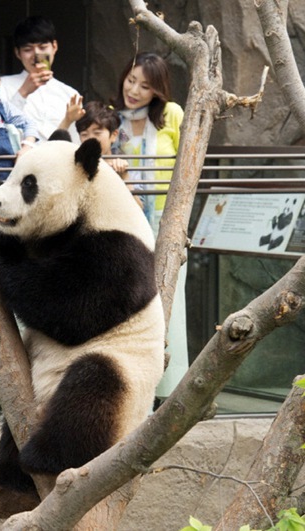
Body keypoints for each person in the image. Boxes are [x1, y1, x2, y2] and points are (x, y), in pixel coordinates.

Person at [111, 52, 187, 404]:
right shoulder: (114, 119)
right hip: (125, 222)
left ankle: (168, 393)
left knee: (169, 301)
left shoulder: (171, 115)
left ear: (158, 90)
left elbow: (188, 163)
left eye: (145, 85)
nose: (135, 90)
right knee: (132, 303)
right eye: (131, 80)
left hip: (165, 222)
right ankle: (135, 390)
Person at [0, 15, 83, 143]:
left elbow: (76, 140)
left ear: (54, 47)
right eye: (28, 49)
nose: (36, 55)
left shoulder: (70, 93)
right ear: (17, 53)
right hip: (18, 161)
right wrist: (23, 92)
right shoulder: (2, 85)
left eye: (43, 47)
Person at [74, 101, 142, 207]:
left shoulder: (127, 164)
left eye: (97, 133)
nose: (90, 139)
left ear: (114, 135)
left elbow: (139, 210)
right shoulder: (75, 166)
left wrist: (124, 176)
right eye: (84, 134)